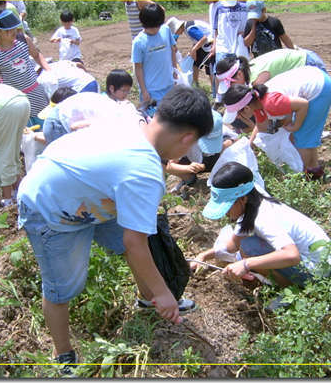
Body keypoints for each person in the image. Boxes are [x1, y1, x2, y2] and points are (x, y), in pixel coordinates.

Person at [16, 85, 213, 374]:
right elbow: (136, 243)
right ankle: (63, 353)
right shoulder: (144, 173)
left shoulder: (131, 122)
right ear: (187, 139)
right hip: (50, 209)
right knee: (61, 288)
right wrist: (164, 292)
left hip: (86, 193)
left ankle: (147, 300)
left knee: (127, 244)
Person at [193, 162, 331, 290]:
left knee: (249, 246)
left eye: (227, 207)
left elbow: (292, 255)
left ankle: (293, 291)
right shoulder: (253, 202)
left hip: (317, 272)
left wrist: (246, 264)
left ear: (243, 199)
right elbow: (233, 245)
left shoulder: (264, 218)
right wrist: (203, 256)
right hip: (317, 263)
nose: (226, 213)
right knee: (244, 248)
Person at [223, 66, 331, 180]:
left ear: (246, 108)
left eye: (238, 115)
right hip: (312, 77)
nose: (238, 118)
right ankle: (313, 168)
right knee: (300, 136)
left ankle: (310, 175)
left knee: (302, 138)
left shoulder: (270, 103)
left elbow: (303, 104)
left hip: (319, 88)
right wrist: (249, 146)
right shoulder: (255, 101)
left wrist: (296, 126)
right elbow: (261, 127)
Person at [0, 8, 50, 128]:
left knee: (46, 125)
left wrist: (48, 69)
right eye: (7, 30)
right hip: (18, 100)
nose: (13, 31)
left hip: (37, 93)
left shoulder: (23, 39)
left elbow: (36, 55)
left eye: (13, 28)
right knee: (28, 131)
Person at [167, 108, 228, 193]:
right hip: (194, 163)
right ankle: (189, 178)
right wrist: (188, 168)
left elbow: (234, 141)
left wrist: (225, 148)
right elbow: (170, 165)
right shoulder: (184, 138)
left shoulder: (217, 125)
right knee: (164, 162)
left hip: (216, 161)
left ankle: (222, 172)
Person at [215, 49, 326, 95]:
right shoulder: (248, 68)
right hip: (305, 56)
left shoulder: (257, 79)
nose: (231, 88)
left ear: (239, 74)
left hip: (309, 63)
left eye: (230, 84)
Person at [131, 4, 177, 105]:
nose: (154, 30)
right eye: (151, 28)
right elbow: (138, 67)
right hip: (151, 90)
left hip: (169, 85)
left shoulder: (165, 30)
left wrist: (175, 70)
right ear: (143, 23)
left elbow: (172, 50)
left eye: (157, 26)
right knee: (154, 114)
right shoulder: (139, 42)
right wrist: (144, 90)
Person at [166, 17, 215, 87]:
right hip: (204, 45)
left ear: (179, 28)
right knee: (195, 64)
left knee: (209, 68)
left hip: (210, 44)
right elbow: (197, 39)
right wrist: (193, 50)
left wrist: (194, 49)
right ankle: (195, 84)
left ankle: (214, 89)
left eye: (176, 31)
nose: (177, 34)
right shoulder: (186, 27)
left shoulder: (189, 29)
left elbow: (204, 38)